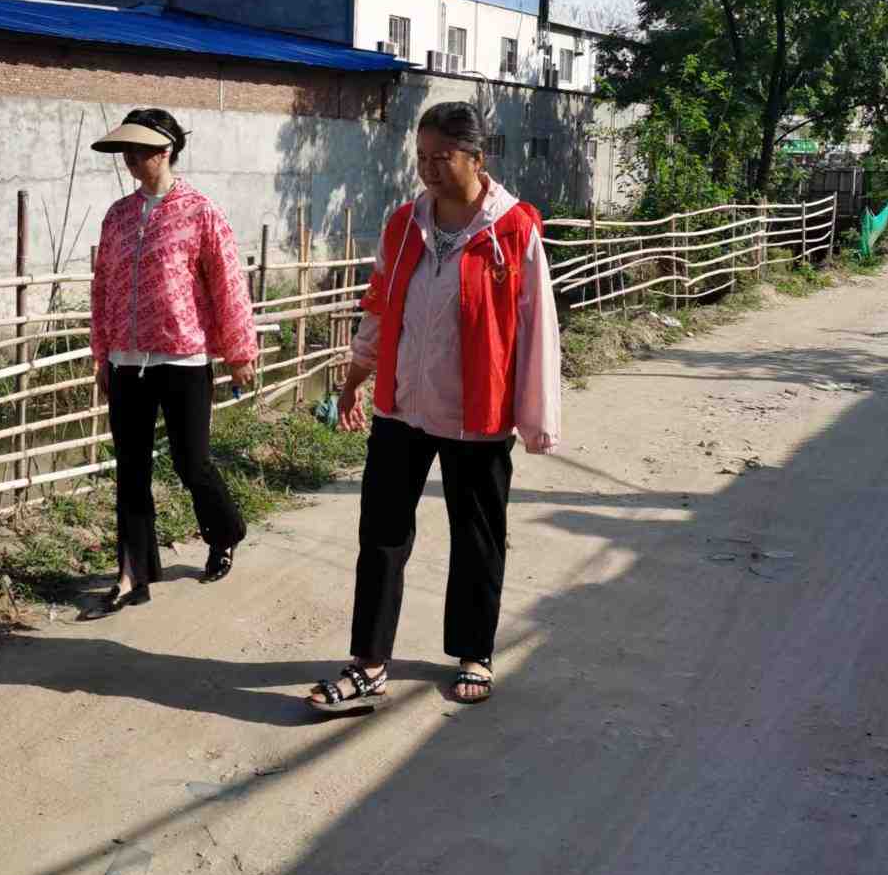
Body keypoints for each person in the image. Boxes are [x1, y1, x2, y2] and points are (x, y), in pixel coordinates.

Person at [308, 100, 561, 708]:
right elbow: (378, 307)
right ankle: (369, 662)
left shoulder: (513, 230)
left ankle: (475, 653)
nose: (428, 169)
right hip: (401, 409)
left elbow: (537, 328)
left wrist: (536, 419)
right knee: (382, 535)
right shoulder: (404, 225)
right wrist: (355, 378)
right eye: (421, 157)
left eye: (441, 158)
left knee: (477, 537)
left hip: (477, 416)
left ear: (476, 157)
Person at [85, 107, 257, 617]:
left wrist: (239, 352)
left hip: (184, 357)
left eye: (139, 152)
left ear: (165, 152)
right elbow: (102, 287)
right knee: (131, 469)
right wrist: (102, 354)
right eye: (126, 152)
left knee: (191, 461)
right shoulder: (117, 216)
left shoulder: (201, 211)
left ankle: (224, 531)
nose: (130, 160)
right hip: (126, 360)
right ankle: (132, 574)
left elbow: (228, 284)